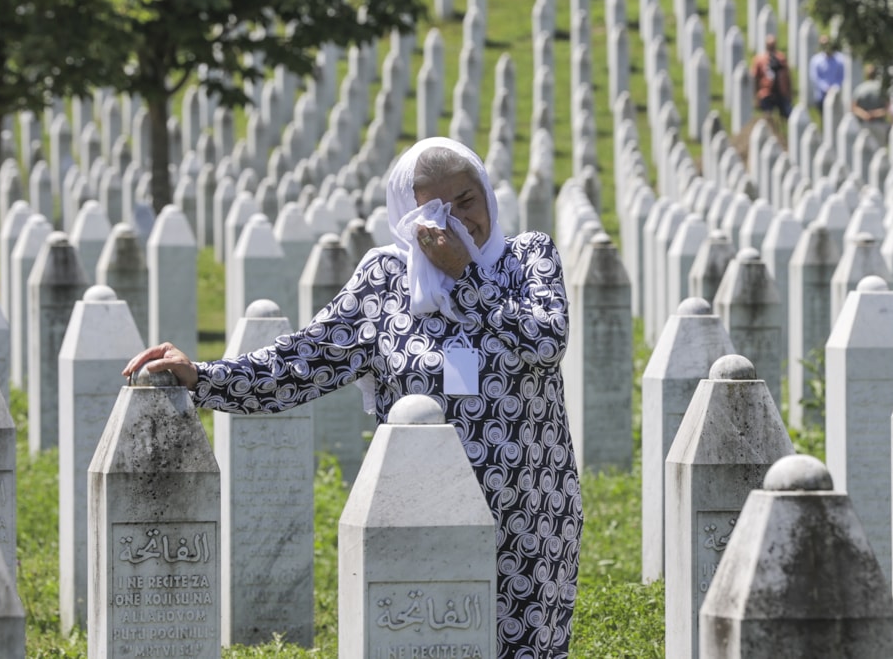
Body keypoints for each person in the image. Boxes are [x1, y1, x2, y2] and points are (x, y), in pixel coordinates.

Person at [124, 137, 584, 657]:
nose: (455, 221)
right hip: (417, 511)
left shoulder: (527, 259)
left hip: (529, 516)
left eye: (466, 201)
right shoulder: (384, 281)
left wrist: (466, 277)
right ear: (406, 219)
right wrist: (202, 376)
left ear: (488, 196)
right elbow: (301, 363)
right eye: (433, 209)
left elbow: (547, 342)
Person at [751, 34, 793, 119]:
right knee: (767, 117)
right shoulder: (760, 59)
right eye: (770, 45)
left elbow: (787, 76)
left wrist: (789, 93)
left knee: (789, 115)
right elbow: (755, 79)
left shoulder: (781, 58)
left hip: (781, 93)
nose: (772, 47)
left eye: (773, 45)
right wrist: (756, 97)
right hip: (766, 93)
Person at [851, 63, 891, 142]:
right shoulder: (881, 89)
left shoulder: (860, 88)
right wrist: (874, 114)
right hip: (879, 124)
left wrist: (865, 115)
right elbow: (887, 108)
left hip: (863, 124)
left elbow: (853, 107)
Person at [808, 34, 846, 113]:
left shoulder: (840, 59)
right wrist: (825, 88)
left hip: (836, 94)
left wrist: (834, 88)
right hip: (821, 95)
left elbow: (841, 76)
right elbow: (815, 77)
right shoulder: (816, 60)